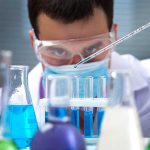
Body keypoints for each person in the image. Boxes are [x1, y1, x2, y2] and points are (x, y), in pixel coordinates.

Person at [27, 0, 150, 137]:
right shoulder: (12, 105)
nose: (77, 66)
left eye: (92, 49)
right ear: (34, 43)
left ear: (114, 36)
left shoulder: (146, 93)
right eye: (58, 52)